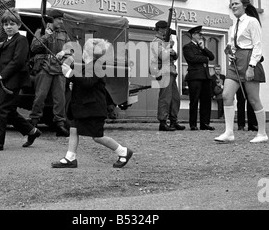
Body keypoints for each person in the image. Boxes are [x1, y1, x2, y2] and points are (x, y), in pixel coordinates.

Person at [51, 38, 133, 168]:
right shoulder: (89, 66)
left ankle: (123, 151)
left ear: (88, 53)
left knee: (97, 137)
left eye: (84, 50)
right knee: (73, 129)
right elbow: (82, 81)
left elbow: (88, 83)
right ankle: (70, 158)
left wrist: (70, 74)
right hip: (84, 108)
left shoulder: (97, 66)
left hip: (93, 109)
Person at [0, 9, 42, 151]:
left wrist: (2, 75)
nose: (8, 27)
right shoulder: (7, 40)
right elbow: (1, 62)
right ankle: (32, 131)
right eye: (6, 24)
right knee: (9, 110)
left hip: (14, 80)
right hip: (7, 80)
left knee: (0, 108)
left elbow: (17, 61)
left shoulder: (22, 40)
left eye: (12, 24)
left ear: (18, 25)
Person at [214, 0, 268, 143]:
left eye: (236, 3)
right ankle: (229, 132)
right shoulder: (235, 24)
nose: (233, 6)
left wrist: (251, 66)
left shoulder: (252, 21)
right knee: (226, 95)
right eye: (231, 4)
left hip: (249, 60)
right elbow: (233, 43)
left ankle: (262, 133)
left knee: (253, 98)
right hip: (235, 61)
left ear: (245, 6)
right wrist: (229, 50)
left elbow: (257, 46)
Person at [29, 9, 70, 137]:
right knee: (40, 96)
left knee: (60, 99)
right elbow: (34, 48)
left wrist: (64, 52)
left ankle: (60, 125)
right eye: (59, 19)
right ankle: (33, 124)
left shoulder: (64, 34)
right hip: (44, 67)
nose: (61, 22)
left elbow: (72, 48)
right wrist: (46, 35)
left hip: (59, 69)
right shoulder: (40, 31)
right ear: (52, 20)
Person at [149, 20, 183, 131]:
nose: (166, 31)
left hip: (171, 71)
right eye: (164, 29)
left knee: (175, 98)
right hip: (163, 71)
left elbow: (174, 56)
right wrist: (169, 49)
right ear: (160, 29)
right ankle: (163, 122)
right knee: (165, 98)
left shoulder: (165, 41)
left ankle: (174, 121)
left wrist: (172, 50)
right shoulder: (156, 41)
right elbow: (162, 55)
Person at [183, 25, 215, 131]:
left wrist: (203, 48)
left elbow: (211, 57)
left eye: (201, 34)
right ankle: (193, 124)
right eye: (198, 34)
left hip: (205, 77)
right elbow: (192, 58)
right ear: (193, 35)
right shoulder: (187, 47)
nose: (200, 36)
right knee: (194, 101)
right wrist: (204, 58)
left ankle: (205, 123)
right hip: (195, 77)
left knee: (206, 101)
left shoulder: (201, 47)